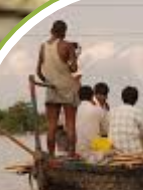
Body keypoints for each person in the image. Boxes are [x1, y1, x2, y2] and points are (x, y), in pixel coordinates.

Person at [37, 20, 82, 156]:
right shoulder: (67, 46)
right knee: (70, 124)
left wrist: (49, 81)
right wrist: (75, 55)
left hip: (51, 87)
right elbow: (74, 68)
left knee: (51, 126)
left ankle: (51, 156)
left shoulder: (42, 47)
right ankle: (71, 155)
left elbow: (39, 72)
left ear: (51, 30)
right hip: (68, 87)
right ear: (64, 32)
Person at [107, 86, 143, 154]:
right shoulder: (137, 112)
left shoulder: (112, 111)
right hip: (134, 152)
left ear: (122, 98)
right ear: (136, 99)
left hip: (115, 152)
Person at [74, 85, 109, 158]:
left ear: (78, 97)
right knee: (113, 144)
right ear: (92, 95)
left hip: (79, 149)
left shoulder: (77, 110)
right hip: (94, 146)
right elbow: (106, 131)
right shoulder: (98, 109)